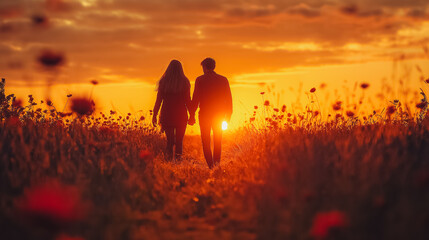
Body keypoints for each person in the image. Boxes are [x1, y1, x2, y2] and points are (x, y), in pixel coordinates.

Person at [189, 58, 232, 169]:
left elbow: (195, 99)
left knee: (206, 141)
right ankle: (216, 166)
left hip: (204, 114)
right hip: (219, 115)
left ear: (204, 67)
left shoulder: (200, 80)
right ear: (214, 66)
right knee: (218, 140)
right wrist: (229, 115)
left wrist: (192, 115)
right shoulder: (223, 80)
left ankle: (211, 167)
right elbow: (229, 99)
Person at [152, 60, 191, 160]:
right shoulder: (185, 82)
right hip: (181, 116)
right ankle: (178, 163)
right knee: (179, 142)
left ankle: (169, 163)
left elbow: (158, 101)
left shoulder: (164, 82)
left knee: (169, 141)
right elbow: (188, 101)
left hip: (167, 115)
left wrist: (154, 115)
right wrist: (192, 115)